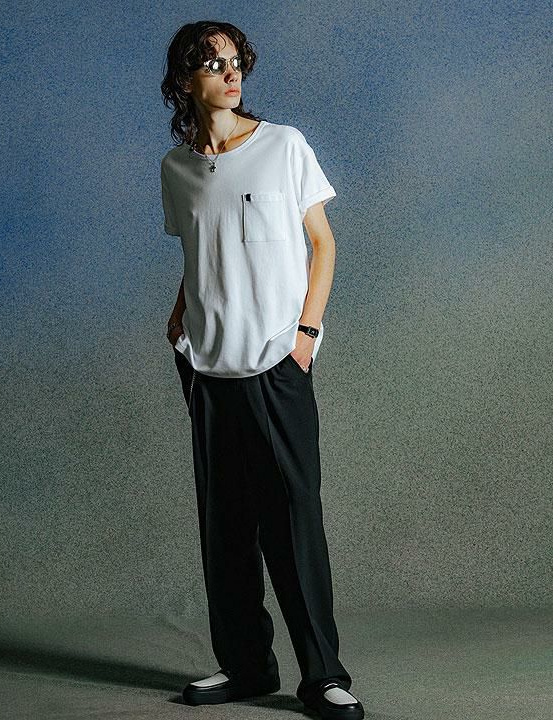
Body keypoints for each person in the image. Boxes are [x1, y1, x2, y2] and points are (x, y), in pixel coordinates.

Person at [160, 20, 365, 720]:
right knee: (225, 527)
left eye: (236, 60)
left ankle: (323, 676)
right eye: (213, 63)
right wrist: (180, 316)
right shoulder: (177, 167)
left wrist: (305, 336)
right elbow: (200, 250)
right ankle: (246, 666)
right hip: (206, 368)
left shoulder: (284, 146)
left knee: (291, 522)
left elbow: (322, 244)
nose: (231, 73)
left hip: (278, 361)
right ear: (185, 80)